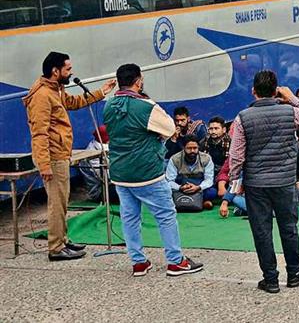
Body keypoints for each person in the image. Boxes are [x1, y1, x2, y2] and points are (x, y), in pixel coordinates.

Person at [103, 63, 202, 277]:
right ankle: (175, 261)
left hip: (120, 172)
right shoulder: (146, 106)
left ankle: (138, 262)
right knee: (165, 215)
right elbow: (169, 127)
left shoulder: (109, 105)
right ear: (139, 81)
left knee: (130, 217)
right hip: (147, 171)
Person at [228, 70, 299, 293]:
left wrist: (234, 180)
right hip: (285, 180)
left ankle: (270, 278)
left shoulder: (243, 117)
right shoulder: (290, 111)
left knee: (262, 231)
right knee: (289, 228)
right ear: (276, 89)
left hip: (256, 183)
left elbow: (237, 154)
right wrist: (293, 98)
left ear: (253, 91)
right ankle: (295, 272)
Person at [23, 52, 116, 261]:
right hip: (53, 157)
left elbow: (72, 102)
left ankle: (62, 240)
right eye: (67, 69)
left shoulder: (56, 89)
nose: (71, 72)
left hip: (60, 153)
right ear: (55, 71)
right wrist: (45, 165)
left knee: (63, 201)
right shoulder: (42, 96)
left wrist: (101, 92)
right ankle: (55, 247)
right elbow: (39, 134)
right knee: (57, 202)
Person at [166, 137, 217, 209]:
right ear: (183, 148)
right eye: (189, 148)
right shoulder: (174, 159)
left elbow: (209, 179)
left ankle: (184, 202)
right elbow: (169, 181)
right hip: (182, 185)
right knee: (166, 190)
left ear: (198, 147)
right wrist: (180, 187)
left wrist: (198, 187)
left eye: (195, 148)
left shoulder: (206, 158)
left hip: (199, 185)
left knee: (212, 192)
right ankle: (201, 202)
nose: (192, 151)